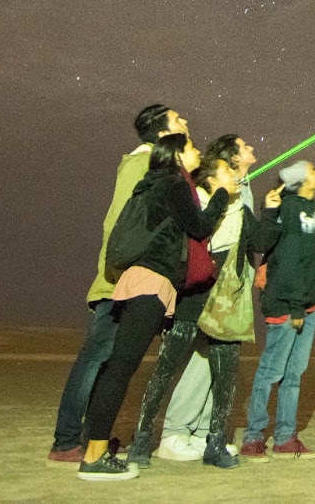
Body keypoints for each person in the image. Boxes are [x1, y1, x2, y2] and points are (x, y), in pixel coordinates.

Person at [76, 131, 235, 481]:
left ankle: (93, 448)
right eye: (191, 147)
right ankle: (94, 457)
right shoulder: (174, 184)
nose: (198, 151)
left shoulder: (153, 184)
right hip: (151, 280)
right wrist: (223, 194)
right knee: (121, 368)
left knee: (118, 366)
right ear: (177, 155)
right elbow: (200, 227)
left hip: (138, 279)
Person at [126, 135, 281, 470]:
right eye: (226, 172)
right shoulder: (197, 203)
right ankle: (142, 438)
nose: (234, 177)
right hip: (192, 299)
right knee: (165, 370)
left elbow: (260, 241)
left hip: (226, 304)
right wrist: (223, 196)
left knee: (225, 380)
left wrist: (270, 211)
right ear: (211, 179)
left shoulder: (240, 210)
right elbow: (198, 232)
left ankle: (215, 443)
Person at [47, 104, 187, 464]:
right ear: (162, 133)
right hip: (120, 281)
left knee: (108, 361)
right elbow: (122, 222)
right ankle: (66, 441)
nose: (186, 122)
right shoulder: (141, 164)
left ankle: (87, 438)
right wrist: (121, 273)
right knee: (96, 358)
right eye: (178, 120)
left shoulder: (158, 169)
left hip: (129, 279)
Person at [241, 159, 315, 461]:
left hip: (306, 304)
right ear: (300, 181)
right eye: (313, 171)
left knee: (293, 374)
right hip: (288, 304)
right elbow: (288, 261)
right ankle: (253, 437)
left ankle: (285, 438)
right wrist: (296, 306)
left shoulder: (313, 210)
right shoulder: (289, 209)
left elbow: (313, 257)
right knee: (271, 371)